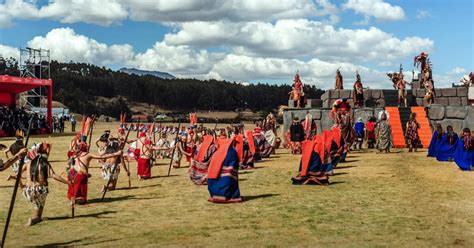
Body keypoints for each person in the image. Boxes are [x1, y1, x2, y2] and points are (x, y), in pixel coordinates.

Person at [21, 143, 69, 226]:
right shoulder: (44, 162)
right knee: (38, 213)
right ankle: (34, 219)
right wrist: (68, 183)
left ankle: (36, 217)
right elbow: (53, 175)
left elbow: (18, 174)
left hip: (27, 191)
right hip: (39, 191)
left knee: (38, 204)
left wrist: (21, 187)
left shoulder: (29, 162)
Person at [207, 138, 242, 203]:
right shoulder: (231, 152)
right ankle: (228, 195)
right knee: (228, 179)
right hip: (227, 172)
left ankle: (216, 195)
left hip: (215, 177)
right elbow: (234, 163)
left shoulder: (217, 152)